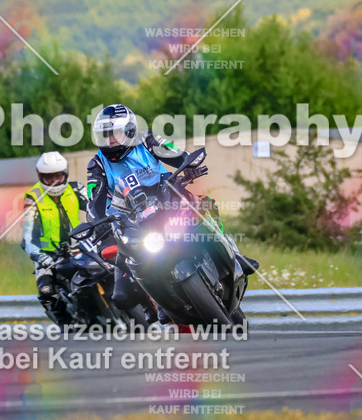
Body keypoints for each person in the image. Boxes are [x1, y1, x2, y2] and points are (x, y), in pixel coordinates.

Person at [87, 104, 259, 318]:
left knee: (204, 205)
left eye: (114, 134)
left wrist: (188, 165)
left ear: (130, 130)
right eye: (104, 136)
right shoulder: (97, 164)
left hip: (167, 197)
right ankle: (158, 302)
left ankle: (234, 253)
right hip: (131, 218)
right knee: (125, 268)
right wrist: (97, 224)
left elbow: (176, 154)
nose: (110, 141)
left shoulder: (147, 140)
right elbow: (94, 199)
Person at [21, 151, 87, 322]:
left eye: (57, 175)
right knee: (46, 291)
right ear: (40, 176)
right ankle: (66, 323)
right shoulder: (33, 198)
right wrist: (40, 257)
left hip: (81, 247)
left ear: (65, 174)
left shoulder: (76, 189)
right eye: (48, 177)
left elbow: (100, 206)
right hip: (49, 255)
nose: (53, 181)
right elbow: (27, 237)